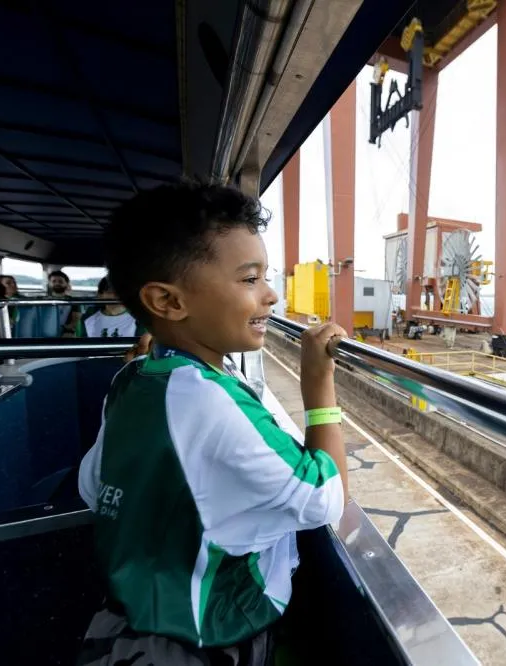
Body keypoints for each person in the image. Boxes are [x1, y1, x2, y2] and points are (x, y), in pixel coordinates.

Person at [77, 181, 349, 666]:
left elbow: (92, 488)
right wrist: (319, 386)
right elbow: (324, 499)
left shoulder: (133, 380)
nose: (270, 296)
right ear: (168, 302)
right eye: (249, 279)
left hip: (125, 622)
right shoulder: (210, 400)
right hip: (214, 632)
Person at [76, 277, 144, 338]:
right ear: (100, 295)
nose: (117, 295)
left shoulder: (139, 318)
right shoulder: (88, 318)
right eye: (110, 291)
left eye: (121, 291)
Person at [47, 269, 81, 336]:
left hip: (65, 332)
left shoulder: (74, 301)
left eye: (60, 281)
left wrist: (64, 329)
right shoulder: (44, 300)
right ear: (49, 283)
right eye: (54, 281)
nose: (57, 283)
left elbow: (74, 322)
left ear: (66, 283)